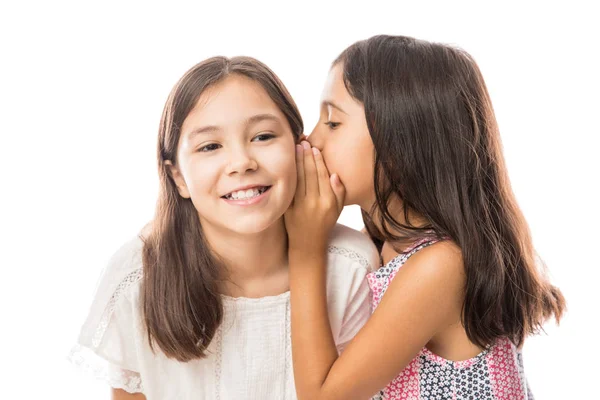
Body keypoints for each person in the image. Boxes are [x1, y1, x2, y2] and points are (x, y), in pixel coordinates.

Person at [69, 56, 379, 400]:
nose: (242, 163)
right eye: (210, 146)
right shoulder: (137, 278)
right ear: (178, 177)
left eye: (262, 136)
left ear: (299, 148)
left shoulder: (351, 267)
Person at [285, 35, 565, 400]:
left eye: (333, 123)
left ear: (399, 146)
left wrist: (306, 248)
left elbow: (323, 397)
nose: (310, 140)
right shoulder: (387, 246)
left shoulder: (441, 266)